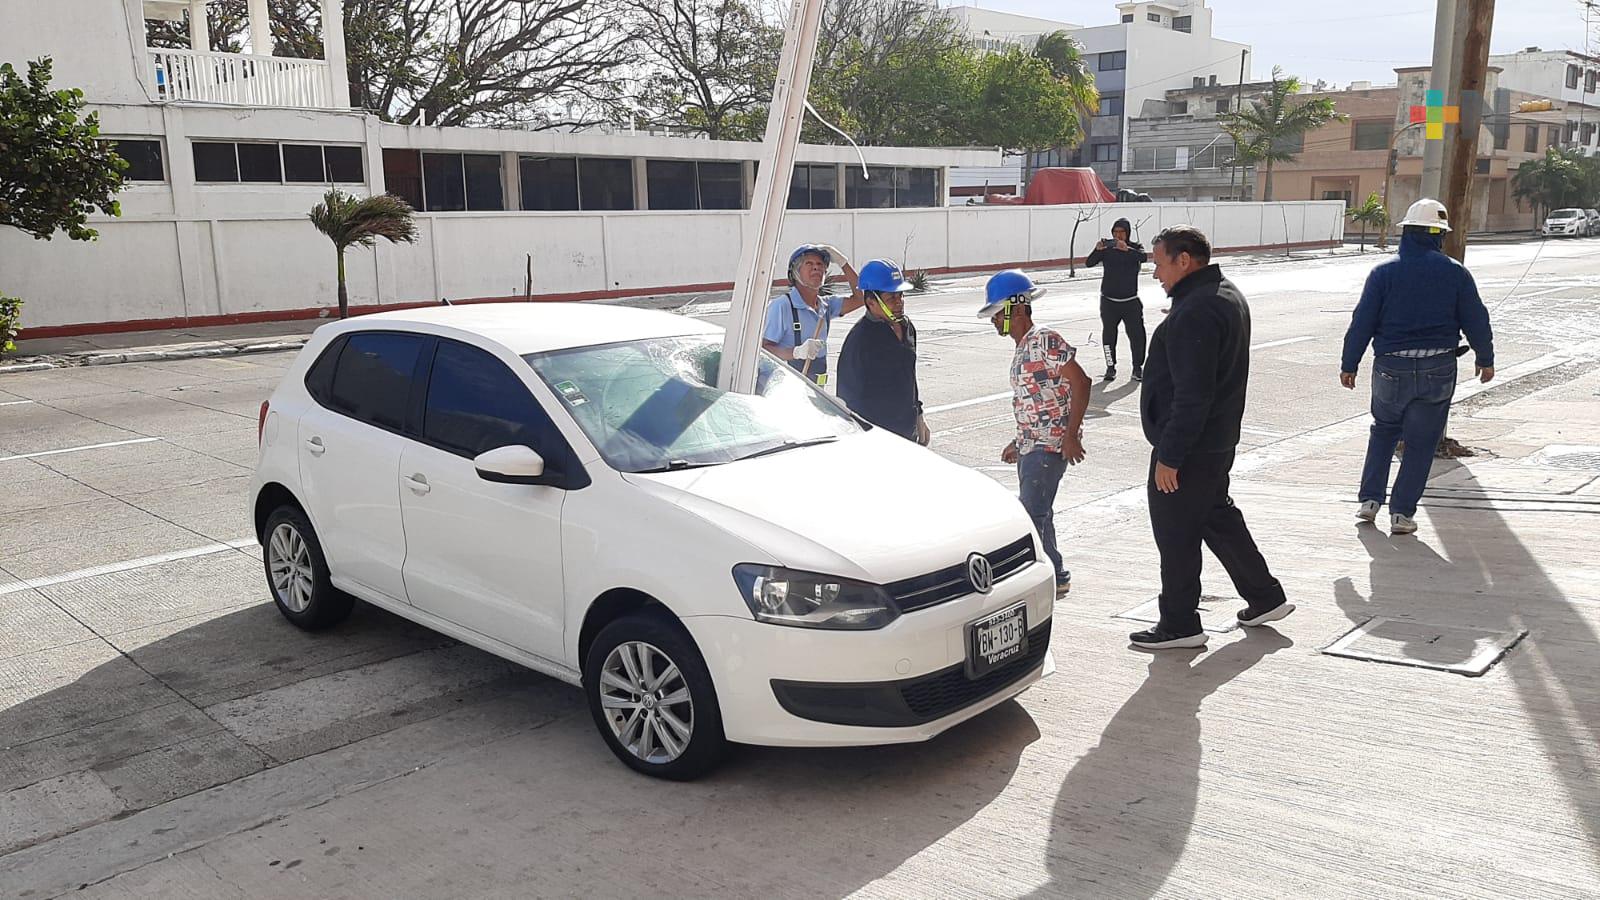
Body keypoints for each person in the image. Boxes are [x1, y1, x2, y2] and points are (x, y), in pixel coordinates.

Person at [1133, 225, 1292, 651]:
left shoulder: (1197, 309)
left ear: (1184, 260)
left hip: (1190, 448)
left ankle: (1180, 624)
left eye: (1159, 264)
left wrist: (1170, 455)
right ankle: (1265, 596)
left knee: (1176, 533)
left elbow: (1192, 394)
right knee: (1214, 516)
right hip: (1215, 440)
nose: (1155, 275)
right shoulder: (1223, 293)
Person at [1340, 198, 1495, 535]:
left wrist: (1349, 363)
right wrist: (1485, 357)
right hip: (1438, 368)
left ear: (1406, 232)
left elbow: (1362, 321)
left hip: (1390, 369)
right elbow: (1476, 318)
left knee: (1383, 431)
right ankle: (1402, 515)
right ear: (1438, 236)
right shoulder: (1455, 272)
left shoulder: (1383, 273)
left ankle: (1369, 501)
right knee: (1421, 444)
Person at [978, 269, 1090, 598]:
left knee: (1030, 516)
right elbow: (1039, 399)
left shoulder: (1044, 340)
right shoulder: (1023, 347)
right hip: (1032, 446)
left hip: (1049, 447)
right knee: (1042, 513)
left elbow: (1081, 383)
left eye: (998, 313)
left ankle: (1029, 582)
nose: (994, 321)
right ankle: (1056, 573)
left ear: (1018, 308)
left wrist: (1071, 435)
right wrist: (1019, 441)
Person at [836, 259, 930, 445]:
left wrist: (918, 415)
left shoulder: (907, 328)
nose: (899, 303)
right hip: (878, 438)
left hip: (907, 432)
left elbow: (909, 377)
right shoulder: (859, 340)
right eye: (891, 298)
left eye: (901, 296)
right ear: (871, 302)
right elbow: (848, 397)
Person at [761, 244, 865, 385]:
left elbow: (861, 298)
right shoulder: (782, 306)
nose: (816, 267)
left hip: (817, 388)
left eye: (820, 264)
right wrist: (796, 352)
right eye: (809, 263)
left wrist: (843, 263)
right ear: (795, 272)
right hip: (786, 388)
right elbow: (764, 350)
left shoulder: (826, 306)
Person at [1084, 217, 1149, 382]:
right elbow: (1089, 263)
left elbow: (1143, 257)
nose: (1119, 236)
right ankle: (1110, 366)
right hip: (1109, 301)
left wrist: (1126, 249)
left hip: (1130, 301)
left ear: (1128, 233)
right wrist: (1097, 250)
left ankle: (1137, 367)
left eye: (1122, 232)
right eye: (1116, 232)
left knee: (1137, 335)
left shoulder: (1135, 248)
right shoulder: (1107, 248)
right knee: (1108, 336)